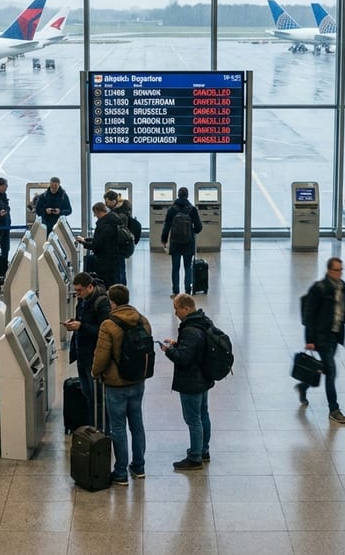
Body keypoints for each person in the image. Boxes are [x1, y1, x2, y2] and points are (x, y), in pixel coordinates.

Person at [91, 284, 151, 485]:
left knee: (118, 427)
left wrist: (95, 372)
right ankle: (139, 466)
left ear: (112, 302)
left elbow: (101, 356)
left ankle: (120, 472)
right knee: (137, 423)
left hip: (116, 384)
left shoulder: (109, 325)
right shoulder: (143, 320)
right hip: (138, 381)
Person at [299, 257, 345, 424]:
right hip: (321, 337)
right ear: (328, 270)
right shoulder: (319, 289)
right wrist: (310, 339)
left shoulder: (342, 288)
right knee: (331, 371)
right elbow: (309, 316)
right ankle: (334, 409)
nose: (339, 273)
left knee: (324, 369)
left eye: (341, 270)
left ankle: (303, 386)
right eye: (336, 270)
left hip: (335, 336)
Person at [162, 294, 213, 471]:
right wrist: (178, 343)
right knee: (203, 414)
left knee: (193, 419)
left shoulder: (190, 330)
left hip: (192, 380)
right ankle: (203, 449)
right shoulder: (202, 321)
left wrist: (169, 350)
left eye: (176, 309)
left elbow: (183, 359)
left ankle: (195, 457)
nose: (175, 313)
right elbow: (195, 348)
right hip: (203, 377)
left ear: (185, 308)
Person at [62, 272, 109, 426]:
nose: (78, 294)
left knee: (97, 398)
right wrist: (75, 323)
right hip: (82, 356)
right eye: (76, 291)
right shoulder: (82, 301)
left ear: (90, 286)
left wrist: (81, 326)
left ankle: (100, 430)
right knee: (87, 394)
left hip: (93, 357)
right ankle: (92, 427)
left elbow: (104, 331)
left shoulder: (102, 303)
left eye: (80, 290)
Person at [161, 187, 203, 296]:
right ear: (187, 195)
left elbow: (166, 226)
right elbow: (198, 227)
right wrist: (191, 230)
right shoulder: (192, 209)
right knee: (187, 267)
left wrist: (164, 240)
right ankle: (187, 291)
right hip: (188, 242)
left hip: (175, 243)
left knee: (175, 267)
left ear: (178, 195)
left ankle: (175, 291)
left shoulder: (172, 210)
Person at [78, 202, 121, 290]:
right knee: (111, 281)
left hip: (104, 260)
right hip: (113, 258)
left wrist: (83, 243)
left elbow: (96, 246)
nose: (94, 216)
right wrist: (87, 239)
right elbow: (102, 240)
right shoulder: (112, 220)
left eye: (95, 213)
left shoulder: (103, 225)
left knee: (105, 282)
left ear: (98, 211)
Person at [104, 190, 133, 286]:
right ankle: (122, 288)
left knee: (118, 269)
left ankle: (120, 289)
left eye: (107, 201)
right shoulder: (124, 209)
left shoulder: (118, 214)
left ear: (113, 201)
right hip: (123, 243)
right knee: (121, 268)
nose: (106, 204)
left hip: (118, 244)